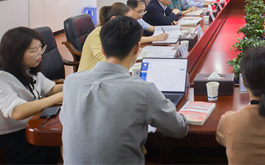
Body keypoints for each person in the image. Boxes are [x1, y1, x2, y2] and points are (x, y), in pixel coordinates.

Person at [62, 17, 189, 164]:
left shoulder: (71, 82)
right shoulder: (143, 90)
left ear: (102, 49)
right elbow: (179, 129)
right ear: (136, 48)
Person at [0, 27, 63, 164]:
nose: (40, 53)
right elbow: (17, 112)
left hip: (25, 128)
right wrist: (60, 96)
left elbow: (50, 89)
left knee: (64, 139)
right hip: (1, 141)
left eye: (41, 48)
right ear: (16, 54)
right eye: (33, 51)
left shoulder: (29, 69)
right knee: (61, 141)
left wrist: (76, 84)